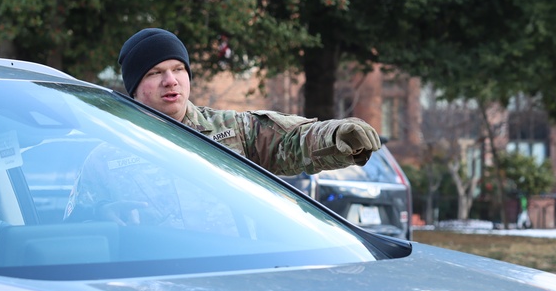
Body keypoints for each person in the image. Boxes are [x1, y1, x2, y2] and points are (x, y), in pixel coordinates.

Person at [64, 27, 382, 223]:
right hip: (155, 290)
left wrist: (339, 135)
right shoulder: (106, 158)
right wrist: (103, 217)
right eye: (155, 72)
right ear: (134, 86)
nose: (171, 80)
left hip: (233, 276)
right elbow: (77, 230)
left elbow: (292, 141)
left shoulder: (230, 131)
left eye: (178, 69)